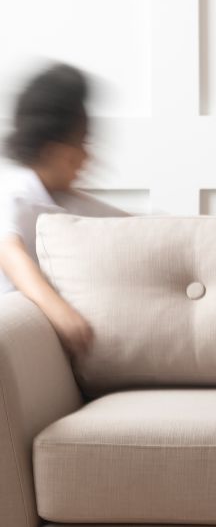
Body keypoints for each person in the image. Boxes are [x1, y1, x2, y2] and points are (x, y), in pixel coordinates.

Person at [0, 63, 128, 357]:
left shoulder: (64, 200)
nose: (88, 156)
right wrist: (62, 315)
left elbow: (133, 226)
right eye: (82, 143)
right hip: (15, 333)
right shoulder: (15, 192)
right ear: (53, 152)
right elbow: (9, 251)